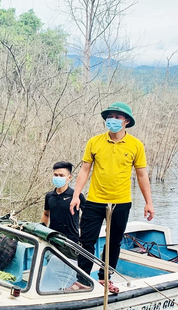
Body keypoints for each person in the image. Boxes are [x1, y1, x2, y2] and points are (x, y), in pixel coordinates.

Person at [70, 102, 155, 292]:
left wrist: (149, 203)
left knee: (114, 241)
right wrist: (76, 195)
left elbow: (142, 175)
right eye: (110, 116)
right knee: (86, 240)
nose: (113, 120)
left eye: (117, 117)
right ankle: (82, 280)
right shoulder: (94, 142)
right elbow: (84, 170)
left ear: (126, 121)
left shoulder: (135, 145)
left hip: (121, 202)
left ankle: (104, 278)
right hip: (94, 200)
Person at [41, 161, 85, 243]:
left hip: (71, 241)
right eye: (56, 175)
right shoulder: (49, 196)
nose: (58, 177)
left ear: (69, 177)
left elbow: (88, 215)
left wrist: (84, 235)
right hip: (53, 239)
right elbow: (46, 214)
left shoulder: (76, 196)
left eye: (61, 175)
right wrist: (42, 232)